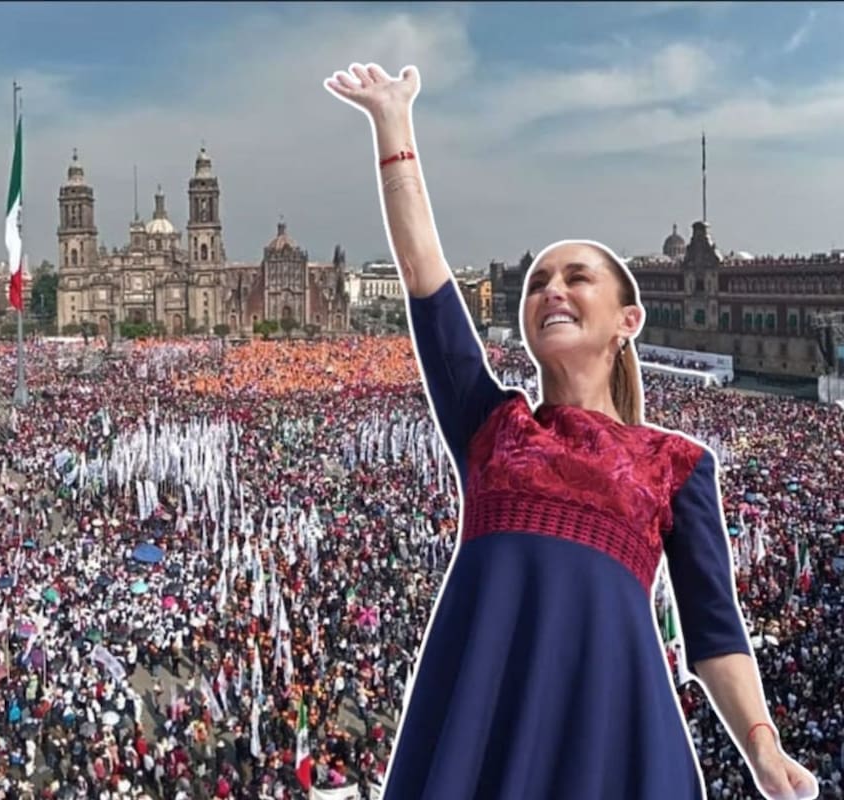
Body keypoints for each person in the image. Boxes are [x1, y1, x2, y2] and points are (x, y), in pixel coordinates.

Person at [324, 62, 821, 800]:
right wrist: (393, 124)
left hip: (614, 728)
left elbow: (713, 631)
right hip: (485, 707)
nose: (551, 289)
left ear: (628, 319)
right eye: (537, 283)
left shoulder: (677, 464)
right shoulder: (489, 423)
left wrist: (761, 745)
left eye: (576, 277)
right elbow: (425, 276)